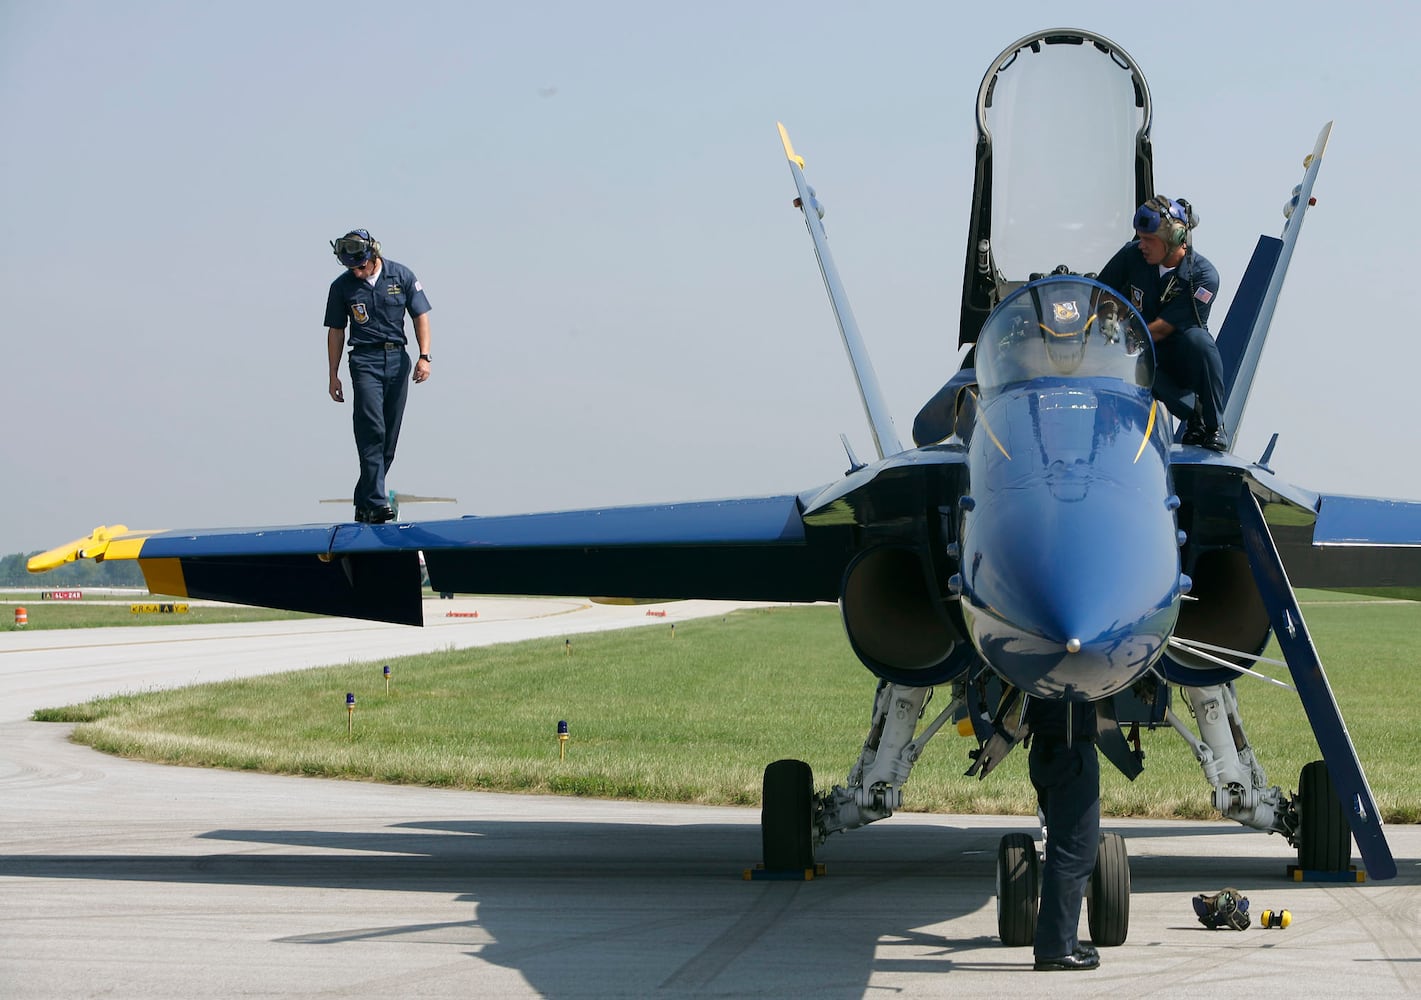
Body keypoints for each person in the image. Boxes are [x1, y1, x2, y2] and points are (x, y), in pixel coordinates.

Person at [1096, 196, 1228, 451]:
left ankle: (1214, 425)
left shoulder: (1203, 277)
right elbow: (1101, 291)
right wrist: (1108, 313)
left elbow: (1164, 328)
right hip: (1145, 351)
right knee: (1133, 364)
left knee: (1199, 343)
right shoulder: (1132, 255)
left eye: (1148, 239)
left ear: (1176, 238)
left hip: (1178, 354)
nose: (1141, 245)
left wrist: (1123, 346)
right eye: (1140, 237)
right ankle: (1194, 418)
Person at [324, 230, 433, 523]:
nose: (357, 273)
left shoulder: (402, 276)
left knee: (389, 437)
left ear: (374, 256)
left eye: (360, 266)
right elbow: (336, 331)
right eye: (351, 268)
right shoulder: (342, 287)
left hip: (398, 358)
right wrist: (333, 375)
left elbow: (420, 315)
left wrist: (425, 356)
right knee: (371, 428)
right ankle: (375, 501)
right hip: (364, 360)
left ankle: (363, 501)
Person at [1027, 697, 1102, 972]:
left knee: (1064, 848)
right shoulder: (1074, 662)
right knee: (1074, 853)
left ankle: (1066, 940)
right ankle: (1055, 948)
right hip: (1070, 752)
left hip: (1046, 747)